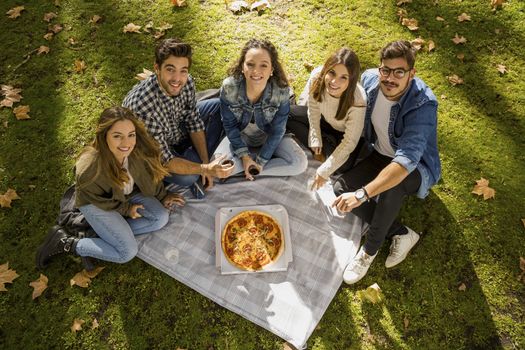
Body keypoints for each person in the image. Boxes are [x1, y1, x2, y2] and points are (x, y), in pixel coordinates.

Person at [332, 40, 441, 284]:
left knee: (392, 185)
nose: (390, 78)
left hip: (416, 167)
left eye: (399, 72)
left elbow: (404, 163)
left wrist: (362, 195)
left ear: (411, 74)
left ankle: (369, 251)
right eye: (386, 70)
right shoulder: (371, 80)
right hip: (379, 154)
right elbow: (342, 84)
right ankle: (400, 232)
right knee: (339, 188)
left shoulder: (423, 105)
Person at [36, 107, 185, 267]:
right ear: (104, 135)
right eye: (117, 136)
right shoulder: (90, 168)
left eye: (131, 135)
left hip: (126, 194)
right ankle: (66, 242)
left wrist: (162, 195)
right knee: (126, 252)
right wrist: (126, 209)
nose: (127, 143)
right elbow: (98, 200)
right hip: (97, 203)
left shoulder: (136, 149)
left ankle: (96, 234)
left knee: (160, 218)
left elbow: (148, 177)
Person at [123, 38, 233, 194]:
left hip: (175, 127)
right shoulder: (142, 107)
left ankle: (192, 159)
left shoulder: (186, 81)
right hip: (153, 149)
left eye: (183, 70)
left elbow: (194, 122)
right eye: (170, 69)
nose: (177, 78)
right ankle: (188, 165)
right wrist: (204, 169)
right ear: (157, 68)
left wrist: (205, 163)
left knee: (219, 106)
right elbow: (165, 160)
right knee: (187, 178)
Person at [213, 38, 307, 181]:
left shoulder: (281, 91)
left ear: (271, 70)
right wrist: (244, 156)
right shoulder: (229, 88)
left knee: (300, 163)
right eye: (250, 64)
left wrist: (261, 161)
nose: (256, 71)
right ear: (242, 67)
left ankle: (252, 170)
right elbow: (230, 126)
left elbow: (278, 130)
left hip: (270, 138)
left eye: (263, 65)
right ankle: (248, 166)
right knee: (217, 168)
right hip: (240, 136)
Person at [287, 47, 367, 190]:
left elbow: (350, 142)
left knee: (342, 167)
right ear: (326, 70)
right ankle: (323, 145)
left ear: (352, 79)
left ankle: (326, 149)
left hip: (345, 134)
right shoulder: (317, 77)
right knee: (288, 114)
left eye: (344, 77)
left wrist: (324, 171)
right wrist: (315, 136)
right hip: (325, 122)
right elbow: (313, 108)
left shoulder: (358, 99)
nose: (335, 82)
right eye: (332, 73)